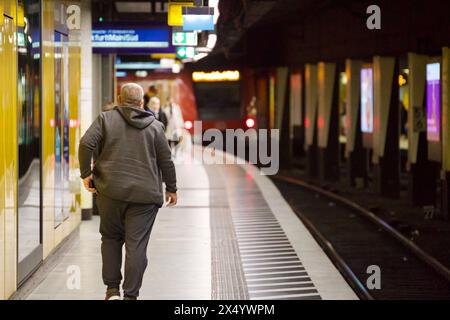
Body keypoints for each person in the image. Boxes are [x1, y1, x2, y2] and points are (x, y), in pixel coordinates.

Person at [78, 83, 177, 300]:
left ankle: (112, 290)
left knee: (111, 238)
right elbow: (166, 161)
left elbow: (86, 143)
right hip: (144, 197)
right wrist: (171, 188)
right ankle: (131, 296)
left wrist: (86, 173)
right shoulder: (155, 126)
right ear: (142, 103)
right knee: (136, 245)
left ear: (120, 100)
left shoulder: (105, 119)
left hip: (110, 193)